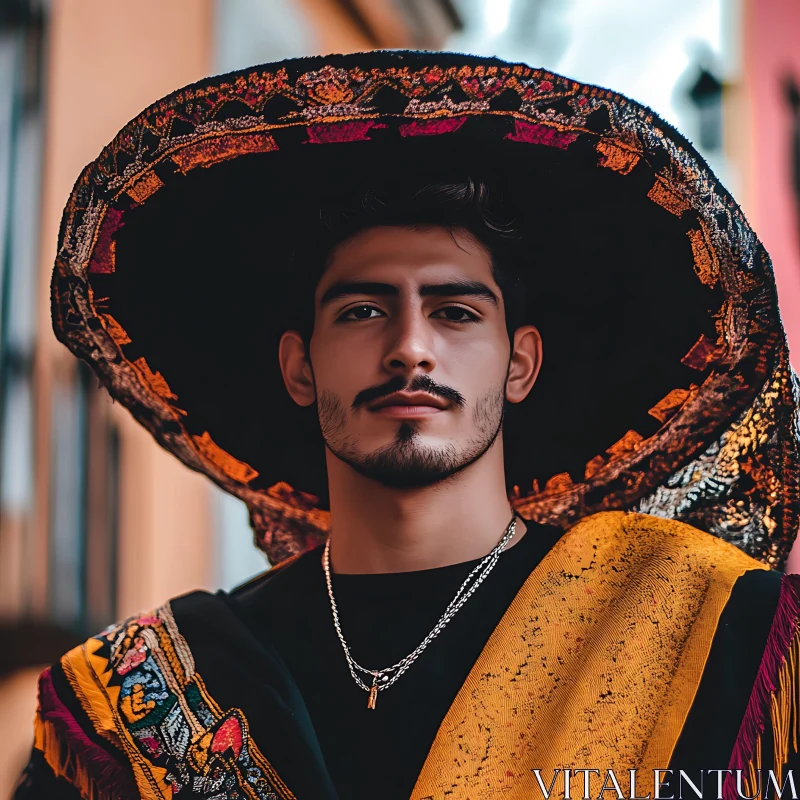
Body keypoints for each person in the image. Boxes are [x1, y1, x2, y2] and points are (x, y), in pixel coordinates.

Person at [13, 51, 800, 800]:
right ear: (299, 366)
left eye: (455, 312)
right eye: (363, 311)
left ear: (519, 364)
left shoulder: (714, 633)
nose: (410, 349)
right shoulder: (138, 694)